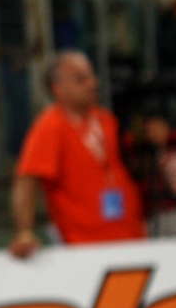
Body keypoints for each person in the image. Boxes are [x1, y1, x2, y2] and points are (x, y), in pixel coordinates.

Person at [9, 51, 144, 258]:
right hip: (83, 248)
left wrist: (148, 137)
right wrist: (24, 232)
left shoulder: (107, 120)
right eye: (81, 79)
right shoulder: (50, 126)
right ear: (58, 89)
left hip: (132, 240)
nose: (93, 84)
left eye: (91, 76)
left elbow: (135, 165)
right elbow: (27, 181)